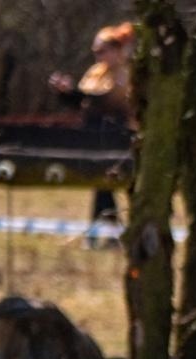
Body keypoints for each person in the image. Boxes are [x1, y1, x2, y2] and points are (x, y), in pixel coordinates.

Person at [47, 22, 134, 241]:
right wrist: (65, 92)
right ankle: (102, 234)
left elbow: (104, 100)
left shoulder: (124, 74)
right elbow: (83, 102)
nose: (97, 56)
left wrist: (75, 92)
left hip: (118, 138)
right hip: (95, 138)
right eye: (95, 51)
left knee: (106, 182)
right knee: (101, 183)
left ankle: (102, 234)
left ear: (116, 50)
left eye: (102, 51)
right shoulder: (96, 73)